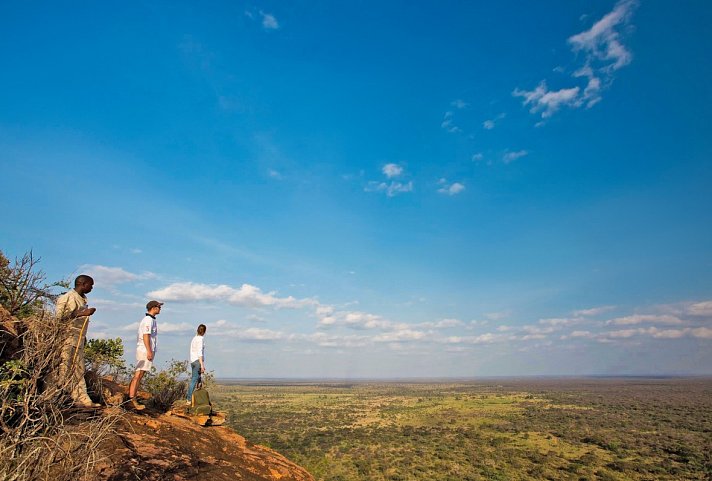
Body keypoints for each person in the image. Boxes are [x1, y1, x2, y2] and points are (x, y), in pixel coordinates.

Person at [55, 275, 100, 408]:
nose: (91, 288)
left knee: (79, 370)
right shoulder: (67, 297)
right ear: (82, 284)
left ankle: (82, 399)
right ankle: (60, 398)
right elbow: (59, 318)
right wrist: (82, 313)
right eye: (90, 285)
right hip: (67, 338)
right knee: (64, 368)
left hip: (78, 339)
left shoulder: (83, 299)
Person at [128, 300, 162, 410]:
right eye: (158, 307)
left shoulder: (151, 320)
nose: (160, 309)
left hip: (145, 349)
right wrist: (149, 351)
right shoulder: (148, 320)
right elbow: (146, 335)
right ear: (153, 308)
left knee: (140, 374)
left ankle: (133, 398)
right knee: (138, 374)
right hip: (144, 350)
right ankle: (131, 399)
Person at [186, 324, 207, 405]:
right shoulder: (200, 339)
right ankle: (189, 399)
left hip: (193, 361)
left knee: (198, 380)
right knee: (194, 380)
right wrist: (202, 365)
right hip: (197, 361)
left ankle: (197, 399)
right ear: (204, 331)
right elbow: (199, 352)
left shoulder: (194, 338)